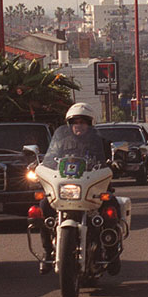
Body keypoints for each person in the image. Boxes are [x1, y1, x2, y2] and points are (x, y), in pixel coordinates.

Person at [38, 103, 111, 274]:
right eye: (75, 122)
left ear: (90, 124)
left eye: (83, 122)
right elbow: (50, 159)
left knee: (111, 206)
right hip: (67, 188)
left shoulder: (101, 142)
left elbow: (110, 160)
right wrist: (43, 164)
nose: (78, 125)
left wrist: (116, 162)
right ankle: (47, 251)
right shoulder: (60, 142)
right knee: (43, 206)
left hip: (92, 186)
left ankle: (109, 249)